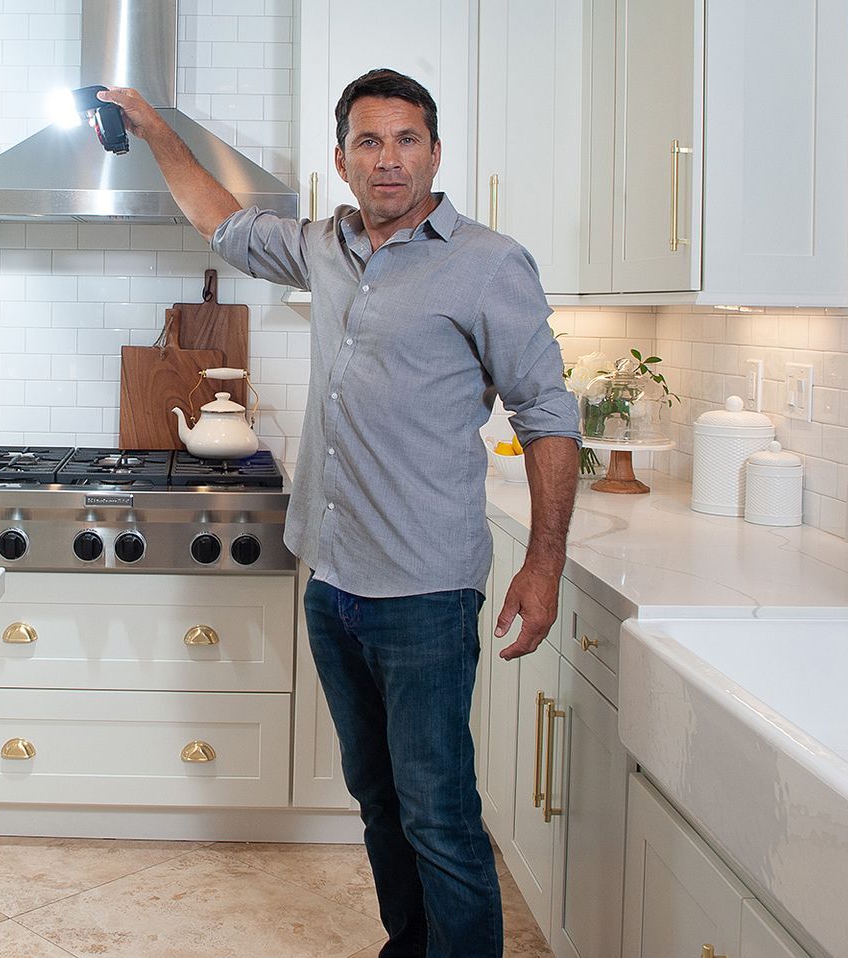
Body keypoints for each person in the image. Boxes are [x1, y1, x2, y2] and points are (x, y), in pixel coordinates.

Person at [100, 70, 580, 958]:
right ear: (342, 160)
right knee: (378, 798)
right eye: (369, 142)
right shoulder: (326, 244)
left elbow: (549, 414)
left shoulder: (488, 262)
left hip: (425, 593)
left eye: (406, 140)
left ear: (436, 153)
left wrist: (544, 564)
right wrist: (151, 124)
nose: (388, 159)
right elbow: (219, 217)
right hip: (331, 581)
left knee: (439, 813)